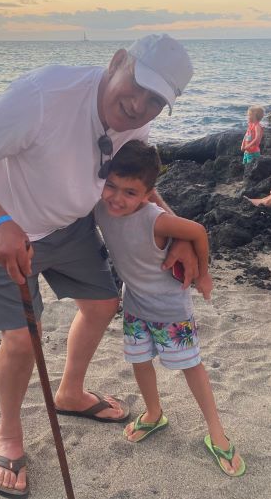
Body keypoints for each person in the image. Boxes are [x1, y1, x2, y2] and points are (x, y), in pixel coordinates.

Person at [0, 34, 196, 497]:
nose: (138, 106)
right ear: (117, 62)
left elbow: (137, 183)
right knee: (21, 340)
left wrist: (176, 233)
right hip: (1, 231)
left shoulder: (135, 124)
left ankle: (70, 392)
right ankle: (9, 432)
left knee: (102, 304)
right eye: (136, 86)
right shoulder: (45, 96)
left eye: (156, 100)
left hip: (68, 226)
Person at [95, 140, 246, 477]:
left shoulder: (157, 220)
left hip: (171, 312)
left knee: (191, 366)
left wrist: (204, 275)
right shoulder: (101, 207)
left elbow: (198, 231)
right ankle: (153, 413)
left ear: (148, 193)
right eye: (111, 186)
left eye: (130, 192)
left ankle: (217, 433)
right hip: (134, 304)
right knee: (139, 360)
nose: (118, 198)